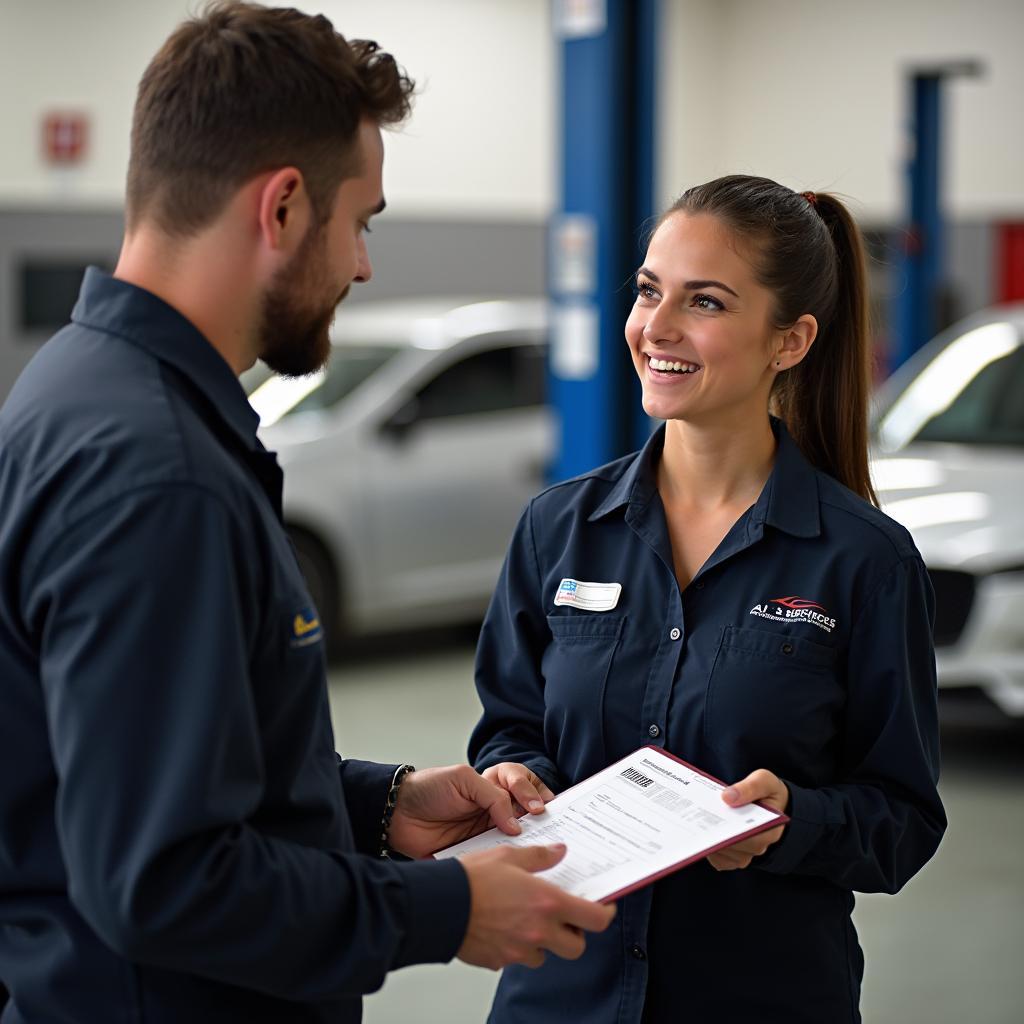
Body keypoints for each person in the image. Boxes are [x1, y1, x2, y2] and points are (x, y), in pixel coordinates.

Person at [0, 4, 615, 1021]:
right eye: (360, 220)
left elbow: (157, 760)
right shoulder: (158, 474)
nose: (363, 266)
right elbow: (162, 878)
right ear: (282, 207)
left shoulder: (78, 390)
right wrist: (445, 908)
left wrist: (378, 805)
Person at [470, 174, 947, 1023]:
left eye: (707, 302)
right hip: (561, 993)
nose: (657, 327)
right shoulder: (559, 530)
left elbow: (901, 821)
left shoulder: (863, 562)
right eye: (650, 290)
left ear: (790, 341)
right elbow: (512, 728)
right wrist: (516, 777)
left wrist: (791, 822)